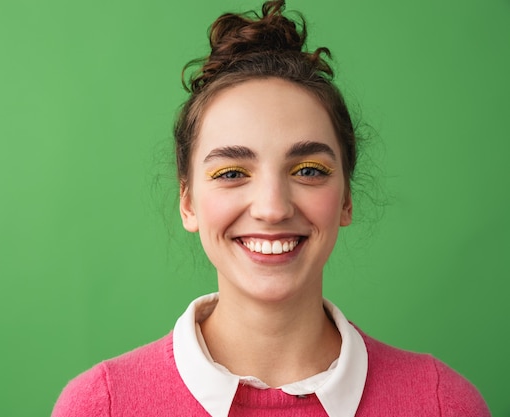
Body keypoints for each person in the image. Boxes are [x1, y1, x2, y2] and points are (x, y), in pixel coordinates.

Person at [51, 1, 490, 416]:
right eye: (231, 173)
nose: (272, 208)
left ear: (346, 199)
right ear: (187, 203)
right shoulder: (101, 404)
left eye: (309, 170)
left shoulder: (441, 402)